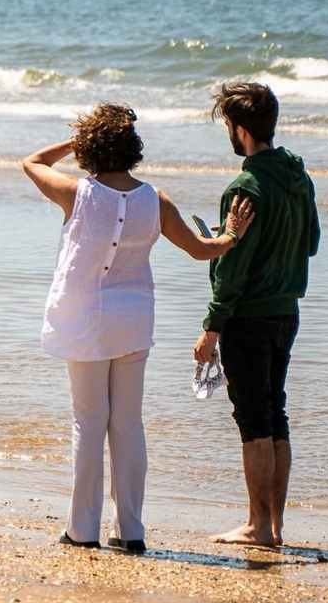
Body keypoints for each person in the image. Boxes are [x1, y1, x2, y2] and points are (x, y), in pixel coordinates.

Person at [23, 103, 253, 553]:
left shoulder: (77, 193)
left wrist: (80, 139)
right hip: (133, 321)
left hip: (85, 320)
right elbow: (202, 250)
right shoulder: (154, 198)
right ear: (133, 148)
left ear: (91, 149)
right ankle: (131, 531)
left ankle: (82, 529)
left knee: (89, 424)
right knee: (127, 424)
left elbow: (32, 162)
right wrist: (232, 234)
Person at [193, 82, 321, 548]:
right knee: (275, 415)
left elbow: (233, 269)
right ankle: (275, 525)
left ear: (241, 130)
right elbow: (311, 243)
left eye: (227, 125)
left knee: (253, 420)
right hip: (288, 312)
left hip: (248, 317)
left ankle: (256, 526)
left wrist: (211, 326)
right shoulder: (299, 178)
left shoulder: (245, 187)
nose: (228, 132)